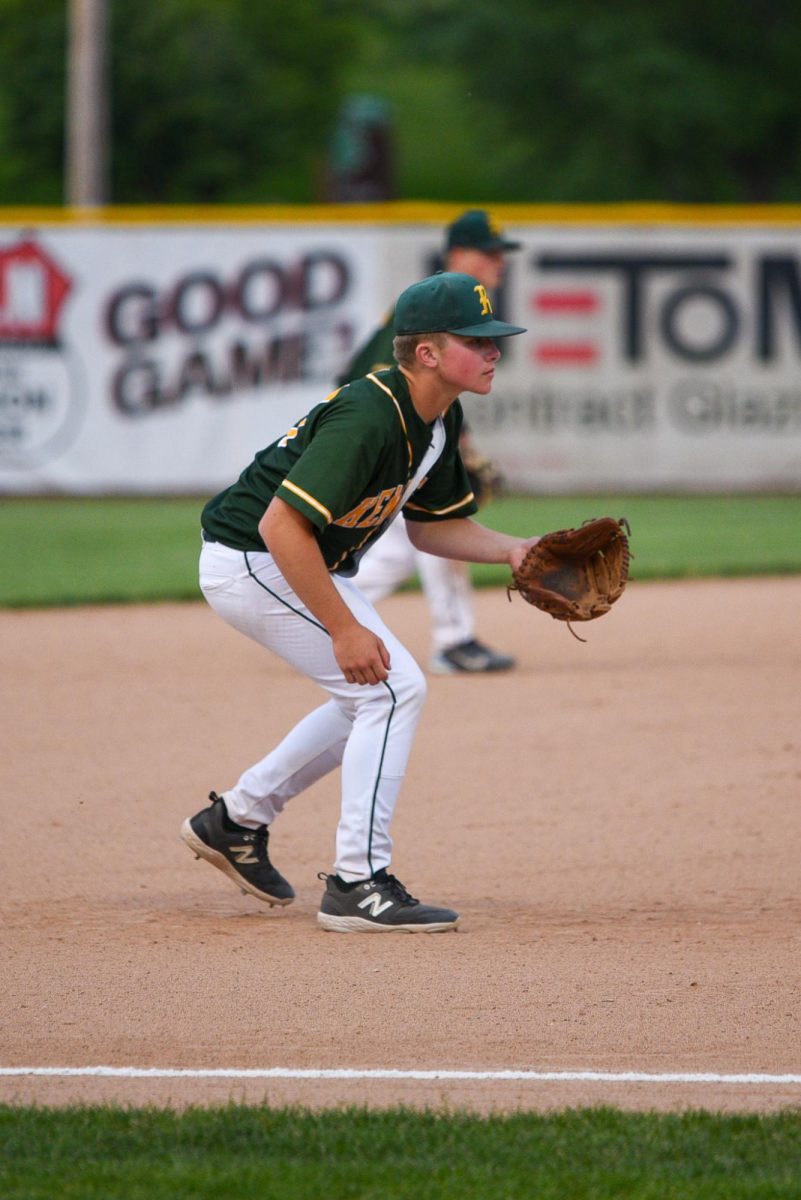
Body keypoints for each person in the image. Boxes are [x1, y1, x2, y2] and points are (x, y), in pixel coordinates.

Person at [181, 271, 537, 934]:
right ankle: (356, 883)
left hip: (292, 559)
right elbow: (279, 526)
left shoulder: (437, 419)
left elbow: (430, 527)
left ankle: (235, 819)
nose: (493, 350)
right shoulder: (369, 414)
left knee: (378, 692)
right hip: (250, 560)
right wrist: (344, 628)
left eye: (494, 339)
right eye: (475, 339)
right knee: (391, 690)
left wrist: (516, 550)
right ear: (426, 353)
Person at [337, 209, 521, 675]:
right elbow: (381, 378)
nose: (499, 262)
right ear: (457, 254)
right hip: (378, 441)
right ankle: (455, 641)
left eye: (503, 253)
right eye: (490, 252)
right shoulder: (432, 308)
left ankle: (311, 611)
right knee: (442, 526)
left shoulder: (452, 307)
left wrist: (460, 442)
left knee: (398, 553)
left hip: (393, 440)